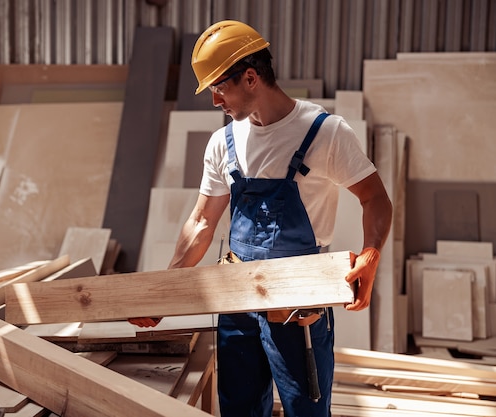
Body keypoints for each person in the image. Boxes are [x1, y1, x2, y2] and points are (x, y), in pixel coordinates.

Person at [130, 20, 392, 417]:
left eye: (219, 87)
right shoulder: (224, 142)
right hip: (237, 299)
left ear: (250, 78)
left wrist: (371, 254)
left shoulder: (325, 134)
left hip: (299, 300)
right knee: (239, 408)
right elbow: (202, 222)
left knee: (306, 407)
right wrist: (166, 289)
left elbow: (375, 198)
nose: (215, 100)